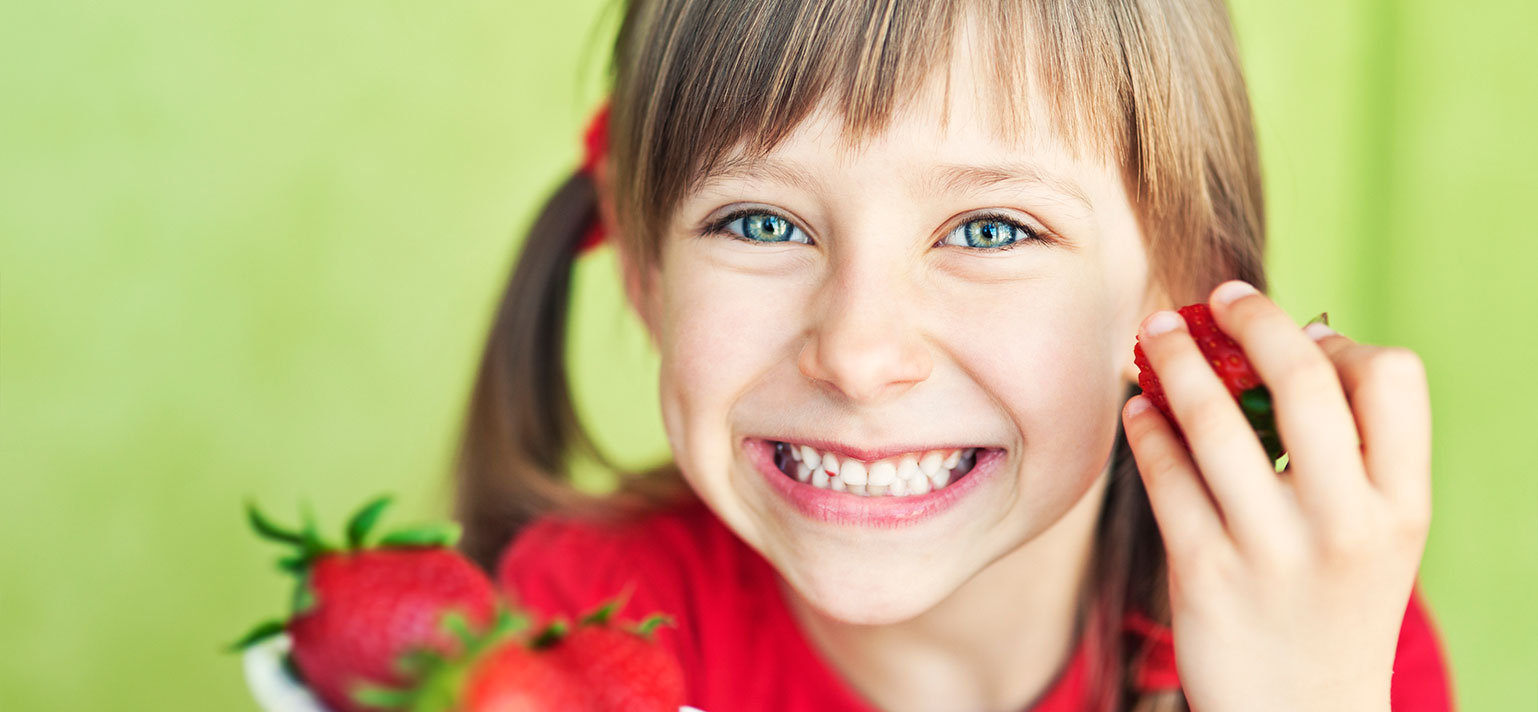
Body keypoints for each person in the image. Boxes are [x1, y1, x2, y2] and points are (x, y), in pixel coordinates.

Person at [453, 1, 1452, 710]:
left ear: (1176, 295)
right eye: (759, 221)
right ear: (642, 267)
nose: (856, 352)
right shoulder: (562, 640)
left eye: (988, 231)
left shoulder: (1326, 636)